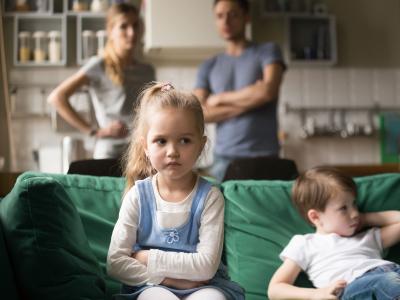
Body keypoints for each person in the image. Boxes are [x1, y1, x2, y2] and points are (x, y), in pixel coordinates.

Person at [107, 82, 245, 300]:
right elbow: (115, 263)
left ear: (201, 145)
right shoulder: (137, 196)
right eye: (161, 141)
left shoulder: (210, 197)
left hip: (204, 287)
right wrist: (168, 280)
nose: (173, 152)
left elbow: (206, 267)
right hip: (149, 286)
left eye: (184, 140)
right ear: (146, 147)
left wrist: (146, 257)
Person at [267, 167, 400, 300]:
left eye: (354, 204)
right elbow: (275, 289)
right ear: (315, 217)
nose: (354, 213)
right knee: (387, 281)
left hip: (392, 274)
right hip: (353, 287)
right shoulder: (305, 243)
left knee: (391, 280)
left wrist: (365, 219)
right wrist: (315, 294)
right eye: (343, 208)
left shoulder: (368, 237)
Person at [193, 0, 286, 182]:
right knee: (223, 211)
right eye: (220, 16)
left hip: (264, 156)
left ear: (246, 17)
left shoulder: (268, 51)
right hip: (223, 160)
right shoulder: (209, 65)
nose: (226, 21)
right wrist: (253, 98)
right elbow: (198, 113)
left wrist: (219, 98)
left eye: (233, 14)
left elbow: (268, 92)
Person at [48, 3, 155, 159]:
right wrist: (94, 131)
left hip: (141, 153)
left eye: (135, 25)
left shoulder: (147, 70)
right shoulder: (99, 66)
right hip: (110, 153)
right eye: (123, 26)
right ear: (110, 31)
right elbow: (57, 98)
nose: (131, 33)